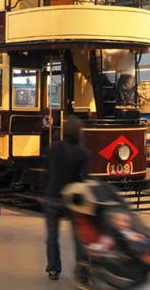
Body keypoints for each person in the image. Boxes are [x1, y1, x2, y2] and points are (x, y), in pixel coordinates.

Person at [45, 115, 89, 283]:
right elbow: (84, 179)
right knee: (78, 236)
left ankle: (54, 269)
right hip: (72, 200)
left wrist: (44, 193)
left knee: (51, 236)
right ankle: (82, 269)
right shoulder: (83, 153)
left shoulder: (54, 148)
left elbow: (47, 171)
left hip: (52, 196)